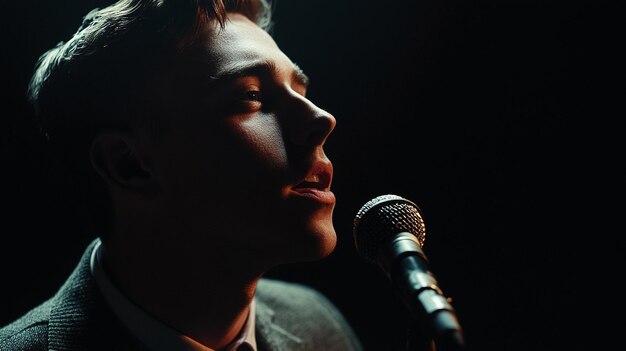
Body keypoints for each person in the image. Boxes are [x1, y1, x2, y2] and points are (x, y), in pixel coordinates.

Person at [0, 0, 364, 350]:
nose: (322, 119)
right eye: (251, 96)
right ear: (128, 164)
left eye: (301, 92)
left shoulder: (320, 327)